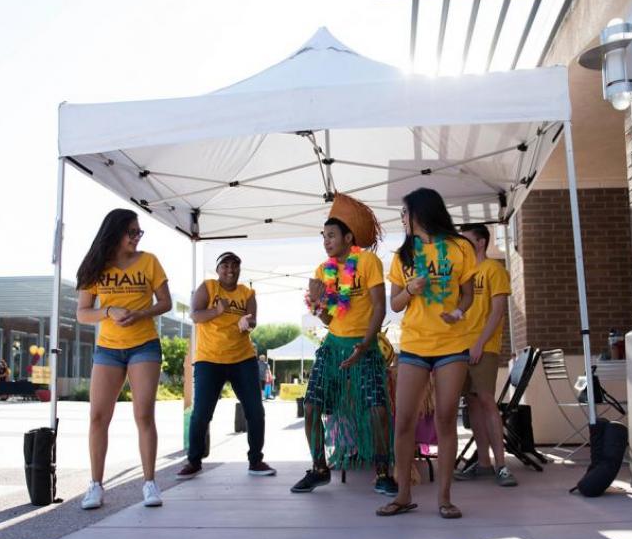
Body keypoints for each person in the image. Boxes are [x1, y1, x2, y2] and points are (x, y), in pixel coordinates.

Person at [378, 187, 475, 519]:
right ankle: (403, 494)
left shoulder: (460, 247)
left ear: (420, 212)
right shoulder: (402, 256)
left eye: (405, 213)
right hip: (415, 346)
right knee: (403, 421)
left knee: (446, 419)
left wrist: (459, 312)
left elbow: (467, 295)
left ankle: (445, 498)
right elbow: (394, 304)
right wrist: (409, 289)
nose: (402, 219)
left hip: (451, 345)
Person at [294, 194, 396, 496]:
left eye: (331, 235)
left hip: (363, 347)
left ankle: (382, 472)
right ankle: (319, 468)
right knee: (311, 406)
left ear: (348, 237)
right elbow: (328, 319)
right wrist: (316, 304)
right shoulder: (322, 271)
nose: (326, 241)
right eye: (323, 236)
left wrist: (365, 345)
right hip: (333, 347)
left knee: (377, 409)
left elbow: (380, 306)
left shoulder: (367, 261)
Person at [75, 208, 172, 510]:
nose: (136, 237)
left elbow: (166, 302)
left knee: (143, 414)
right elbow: (81, 313)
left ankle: (149, 483)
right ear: (115, 233)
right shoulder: (95, 266)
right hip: (108, 349)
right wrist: (108, 311)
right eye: (132, 232)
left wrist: (142, 313)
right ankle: (95, 485)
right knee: (97, 417)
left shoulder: (149, 261)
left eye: (139, 232)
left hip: (144, 345)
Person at [176, 251, 275, 479]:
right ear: (218, 269)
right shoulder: (208, 288)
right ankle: (194, 460)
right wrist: (218, 311)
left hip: (242, 359)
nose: (230, 270)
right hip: (209, 359)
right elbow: (195, 315)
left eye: (235, 266)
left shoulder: (247, 293)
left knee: (255, 410)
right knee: (201, 412)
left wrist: (247, 323)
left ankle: (256, 461)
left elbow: (253, 321)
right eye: (225, 266)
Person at [454, 223, 517, 488]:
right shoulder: (463, 273)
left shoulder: (494, 269)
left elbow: (497, 311)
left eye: (466, 240)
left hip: (484, 347)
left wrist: (479, 343)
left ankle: (502, 466)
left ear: (480, 242)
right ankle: (483, 464)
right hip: (459, 348)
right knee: (472, 404)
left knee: (488, 401)